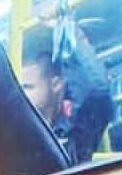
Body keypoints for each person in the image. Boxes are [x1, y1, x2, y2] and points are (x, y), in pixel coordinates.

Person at [17, 20, 112, 165]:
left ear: (55, 85)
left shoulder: (76, 132)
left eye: (28, 87)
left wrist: (66, 28)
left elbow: (97, 90)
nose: (22, 96)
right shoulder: (20, 131)